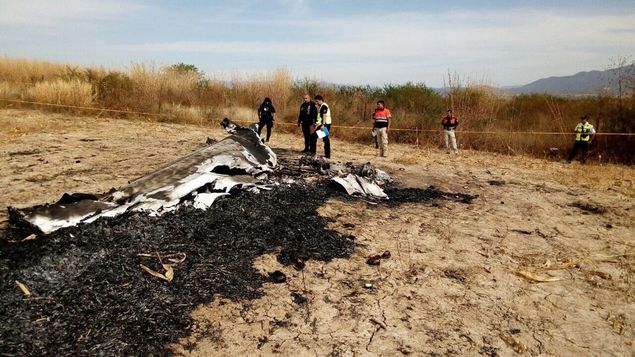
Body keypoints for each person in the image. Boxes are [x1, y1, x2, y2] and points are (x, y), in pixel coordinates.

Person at [313, 95, 331, 160]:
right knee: (317, 137)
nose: (316, 103)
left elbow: (324, 115)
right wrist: (317, 123)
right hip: (323, 124)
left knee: (325, 139)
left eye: (317, 101)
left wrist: (323, 125)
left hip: (325, 124)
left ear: (320, 100)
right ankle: (314, 152)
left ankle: (327, 155)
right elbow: (320, 117)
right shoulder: (321, 106)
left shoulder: (324, 106)